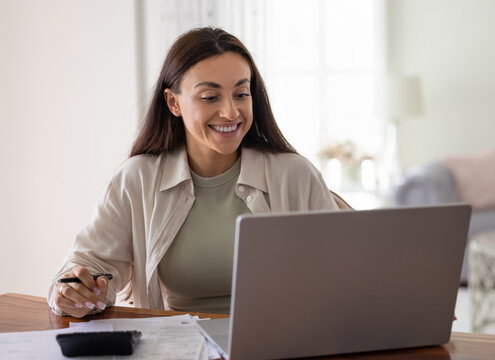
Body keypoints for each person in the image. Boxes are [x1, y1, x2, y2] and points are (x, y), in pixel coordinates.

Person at [48, 27, 339, 318]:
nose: (231, 112)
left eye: (241, 94)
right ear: (173, 103)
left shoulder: (295, 174)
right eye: (210, 97)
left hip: (278, 343)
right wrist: (75, 292)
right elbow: (87, 265)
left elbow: (341, 273)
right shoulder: (138, 178)